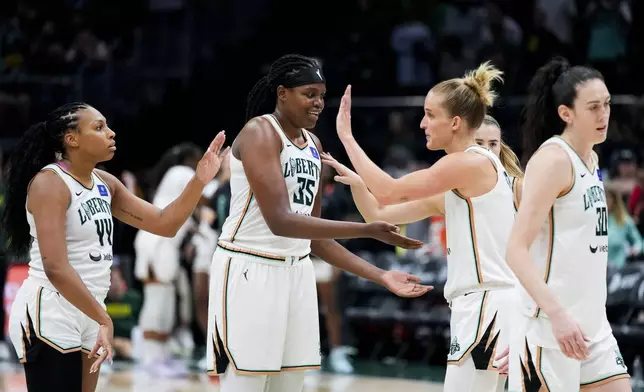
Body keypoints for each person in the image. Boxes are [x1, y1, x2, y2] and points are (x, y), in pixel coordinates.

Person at [205, 53, 430, 392]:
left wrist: (381, 274)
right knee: (247, 384)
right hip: (250, 267)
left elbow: (314, 234)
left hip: (297, 271)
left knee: (290, 384)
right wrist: (365, 230)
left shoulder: (314, 146)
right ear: (282, 93)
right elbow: (281, 221)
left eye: (323, 95)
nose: (319, 103)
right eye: (310, 93)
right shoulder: (259, 132)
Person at [2, 102, 228, 392]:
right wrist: (102, 317)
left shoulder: (104, 183)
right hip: (53, 309)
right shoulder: (50, 183)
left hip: (90, 307)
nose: (111, 133)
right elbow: (55, 267)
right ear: (71, 139)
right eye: (98, 127)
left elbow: (165, 223)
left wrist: (199, 179)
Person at [327, 63, 517, 392]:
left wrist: (346, 137)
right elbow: (380, 210)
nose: (422, 123)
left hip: (489, 303)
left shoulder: (471, 162)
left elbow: (387, 188)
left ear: (455, 122)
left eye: (430, 114)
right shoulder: (459, 187)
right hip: (478, 304)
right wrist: (359, 185)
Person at [505, 57, 631, 392]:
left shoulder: (591, 159)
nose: (603, 114)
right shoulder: (553, 160)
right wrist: (557, 316)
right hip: (550, 329)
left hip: (593, 325)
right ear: (566, 113)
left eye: (606, 104)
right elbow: (516, 250)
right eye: (593, 107)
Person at [133, 142, 207, 376]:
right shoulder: (182, 173)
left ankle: (161, 355)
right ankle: (151, 358)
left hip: (163, 244)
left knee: (165, 302)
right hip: (156, 244)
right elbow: (207, 195)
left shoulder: (175, 177)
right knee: (157, 300)